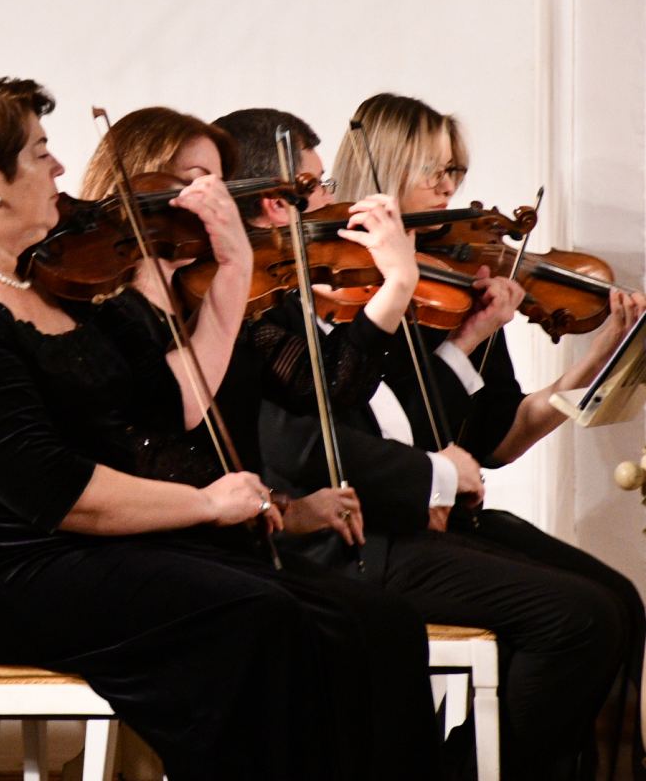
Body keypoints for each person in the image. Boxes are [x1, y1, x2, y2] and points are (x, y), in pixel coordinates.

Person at [0, 79, 437, 781]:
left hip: (83, 549)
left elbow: (177, 404)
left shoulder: (43, 280)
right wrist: (207, 504)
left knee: (377, 621)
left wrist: (234, 267)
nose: (58, 169)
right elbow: (56, 491)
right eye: (41, 153)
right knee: (261, 616)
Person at [220, 99, 644, 779]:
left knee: (614, 599)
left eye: (458, 171)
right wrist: (435, 475)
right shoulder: (276, 306)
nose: (452, 190)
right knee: (579, 617)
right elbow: (311, 439)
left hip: (405, 517)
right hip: (351, 538)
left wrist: (472, 341)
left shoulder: (365, 290)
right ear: (276, 205)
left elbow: (416, 426)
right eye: (438, 170)